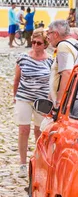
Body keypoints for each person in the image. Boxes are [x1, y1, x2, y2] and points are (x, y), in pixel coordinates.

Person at [12, 28, 52, 177]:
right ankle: (22, 163)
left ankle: (39, 161)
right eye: (33, 42)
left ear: (45, 45)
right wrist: (15, 96)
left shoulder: (49, 60)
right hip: (24, 98)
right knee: (23, 130)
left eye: (39, 43)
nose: (35, 45)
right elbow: (16, 79)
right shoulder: (23, 58)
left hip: (41, 101)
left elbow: (52, 82)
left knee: (39, 132)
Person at [47, 20, 78, 106]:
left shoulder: (63, 46)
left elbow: (67, 72)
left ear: (55, 34)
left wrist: (59, 101)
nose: (47, 37)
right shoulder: (76, 43)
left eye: (48, 33)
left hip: (68, 103)